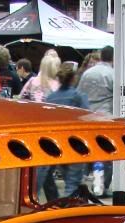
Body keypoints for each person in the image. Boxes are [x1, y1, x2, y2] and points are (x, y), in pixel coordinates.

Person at [39, 64, 90, 200]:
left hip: (55, 145)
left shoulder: (50, 98)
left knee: (48, 177)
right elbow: (88, 119)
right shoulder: (79, 96)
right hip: (76, 145)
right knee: (72, 183)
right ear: (73, 79)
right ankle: (68, 210)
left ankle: (54, 203)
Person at [78, 45, 114, 193]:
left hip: (87, 118)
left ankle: (86, 181)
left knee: (88, 151)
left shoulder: (87, 73)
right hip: (106, 119)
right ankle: (103, 186)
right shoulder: (113, 74)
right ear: (113, 58)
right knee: (107, 153)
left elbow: (79, 94)